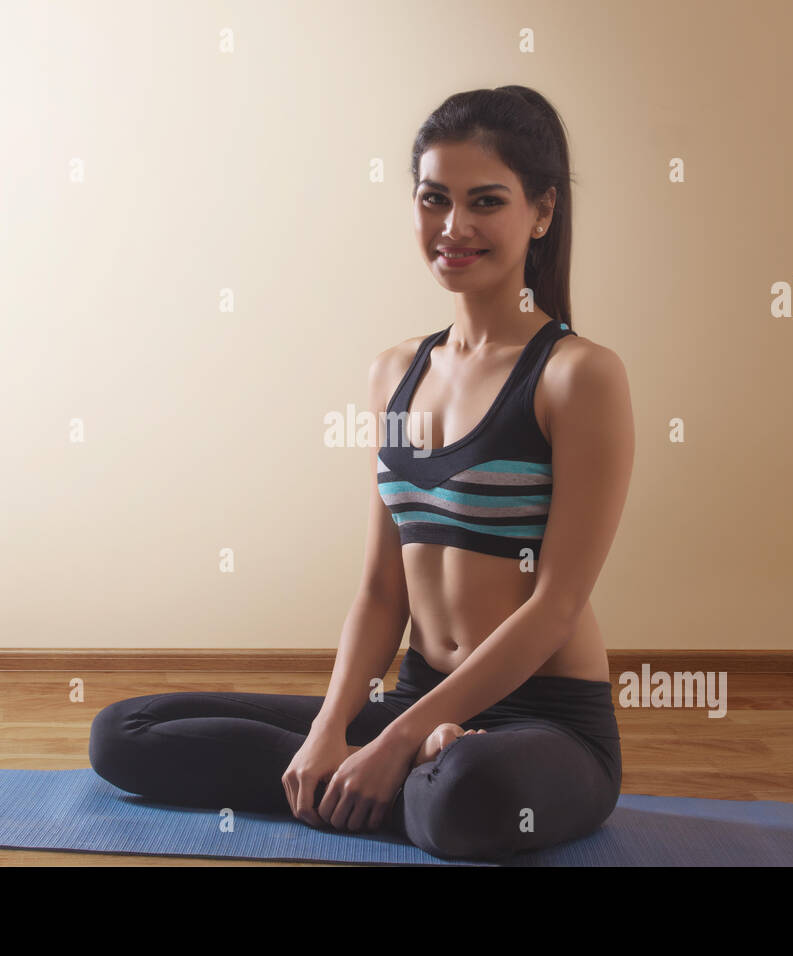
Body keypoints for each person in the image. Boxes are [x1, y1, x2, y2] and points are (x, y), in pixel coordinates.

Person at [89, 86, 635, 861]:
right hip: (418, 701)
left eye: (486, 201)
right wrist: (330, 731)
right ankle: (394, 770)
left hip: (543, 726)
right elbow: (383, 590)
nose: (454, 227)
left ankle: (418, 767)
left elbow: (556, 605)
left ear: (541, 212)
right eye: (433, 199)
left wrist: (398, 738)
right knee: (125, 734)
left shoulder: (578, 376)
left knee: (471, 795)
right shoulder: (395, 373)